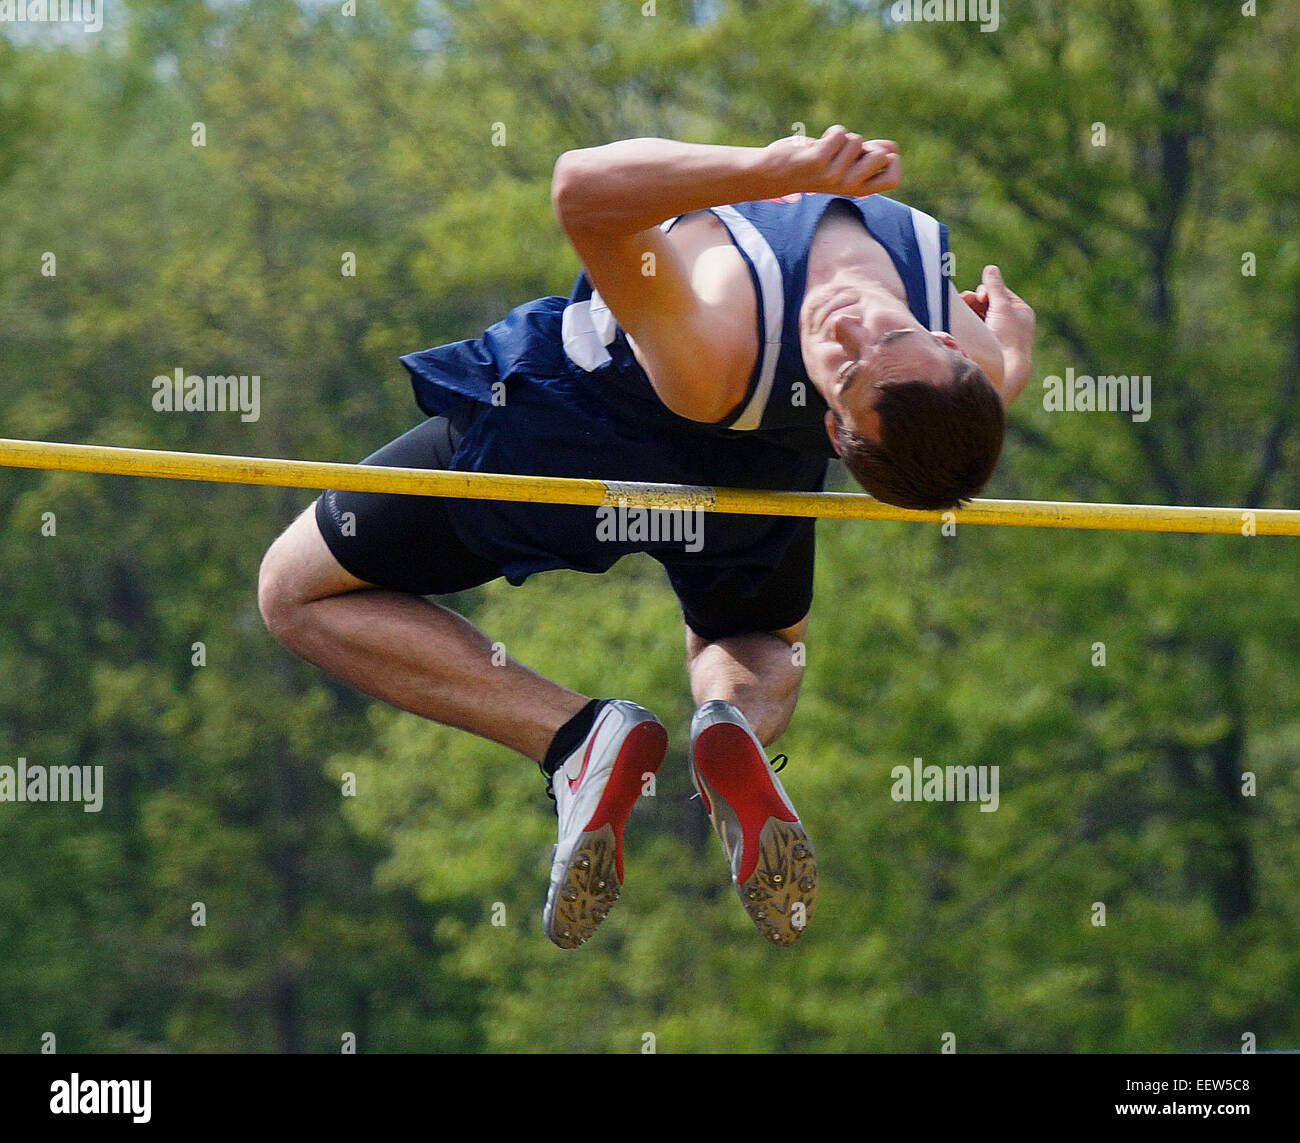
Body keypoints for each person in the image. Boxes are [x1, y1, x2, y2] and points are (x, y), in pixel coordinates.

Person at [257, 126, 1035, 950]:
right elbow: (985, 396)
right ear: (947, 341)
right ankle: (729, 726)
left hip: (578, 430)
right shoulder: (972, 365)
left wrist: (767, 169)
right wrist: (1012, 352)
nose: (846, 333)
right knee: (758, 637)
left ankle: (575, 738)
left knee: (296, 592)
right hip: (753, 477)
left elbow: (580, 193)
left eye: (840, 376)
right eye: (883, 342)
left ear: (838, 430)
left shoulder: (726, 336)